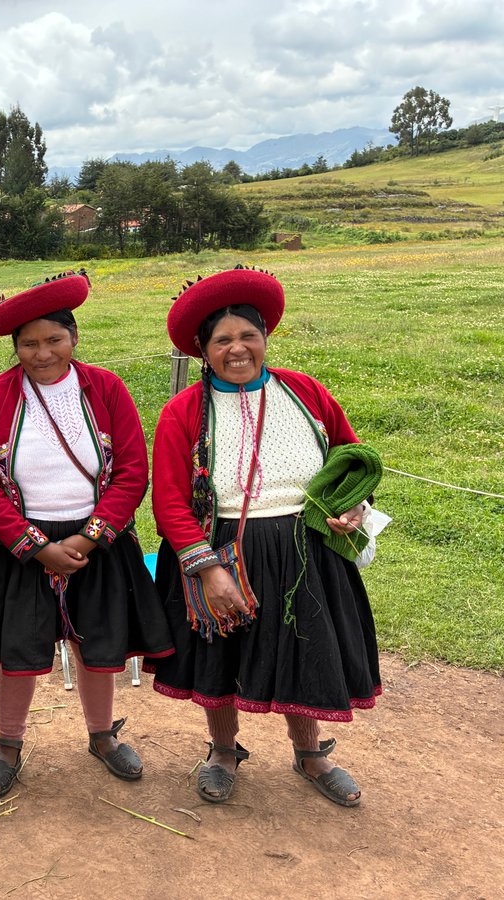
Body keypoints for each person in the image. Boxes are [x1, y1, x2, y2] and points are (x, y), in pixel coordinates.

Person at [146, 265, 380, 807]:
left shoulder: (305, 392)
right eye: (222, 340)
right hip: (223, 550)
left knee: (307, 651)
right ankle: (223, 750)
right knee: (221, 659)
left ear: (266, 338)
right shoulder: (184, 412)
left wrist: (352, 508)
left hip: (307, 553)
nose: (237, 349)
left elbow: (350, 458)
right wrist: (207, 569)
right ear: (202, 349)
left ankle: (311, 753)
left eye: (248, 336)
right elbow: (171, 502)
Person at [0, 272, 175, 797]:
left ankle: (102, 735)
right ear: (15, 347)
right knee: (19, 651)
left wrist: (89, 539)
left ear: (74, 338)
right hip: (20, 546)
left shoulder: (107, 389)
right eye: (29, 343)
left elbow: (132, 472)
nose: (42, 352)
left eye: (54, 339)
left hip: (98, 542)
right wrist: (37, 547)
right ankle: (9, 743)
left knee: (98, 643)